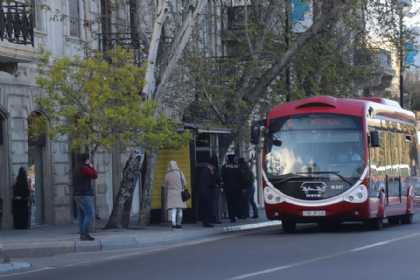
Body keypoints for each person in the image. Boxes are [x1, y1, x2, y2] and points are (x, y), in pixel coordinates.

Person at [73, 153, 97, 241]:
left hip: (77, 194)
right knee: (89, 213)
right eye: (88, 159)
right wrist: (91, 166)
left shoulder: (76, 168)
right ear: (86, 159)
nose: (89, 160)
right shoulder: (84, 168)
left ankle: (82, 234)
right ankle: (84, 234)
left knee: (82, 215)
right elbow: (94, 175)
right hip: (84, 194)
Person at [164, 160, 187, 229]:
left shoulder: (167, 174)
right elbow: (185, 183)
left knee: (173, 209)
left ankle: (173, 224)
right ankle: (179, 224)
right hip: (180, 192)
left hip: (171, 193)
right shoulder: (180, 173)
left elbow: (165, 184)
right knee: (180, 209)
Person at [198, 159, 218, 227]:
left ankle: (206, 221)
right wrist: (212, 175)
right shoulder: (207, 171)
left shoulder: (204, 170)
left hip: (204, 191)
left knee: (206, 207)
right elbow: (209, 182)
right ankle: (206, 222)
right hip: (206, 192)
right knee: (207, 208)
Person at [222, 154, 241, 223]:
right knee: (236, 202)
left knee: (230, 203)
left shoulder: (224, 167)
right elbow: (241, 177)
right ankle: (237, 214)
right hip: (236, 188)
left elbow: (222, 176)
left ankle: (231, 216)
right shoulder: (237, 167)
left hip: (228, 188)